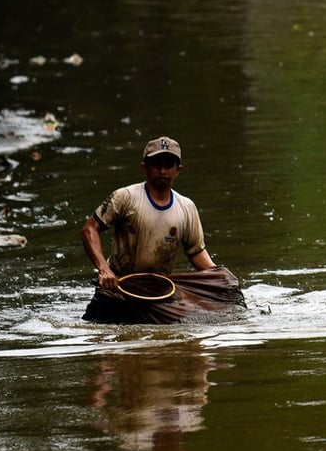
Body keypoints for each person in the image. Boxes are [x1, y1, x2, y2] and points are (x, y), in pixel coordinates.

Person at [81, 135, 240, 323]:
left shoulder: (186, 207)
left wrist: (219, 277)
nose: (162, 171)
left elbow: (196, 252)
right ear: (144, 167)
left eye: (169, 165)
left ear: (178, 170)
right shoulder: (125, 197)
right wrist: (104, 269)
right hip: (117, 290)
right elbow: (89, 229)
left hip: (157, 295)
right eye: (156, 164)